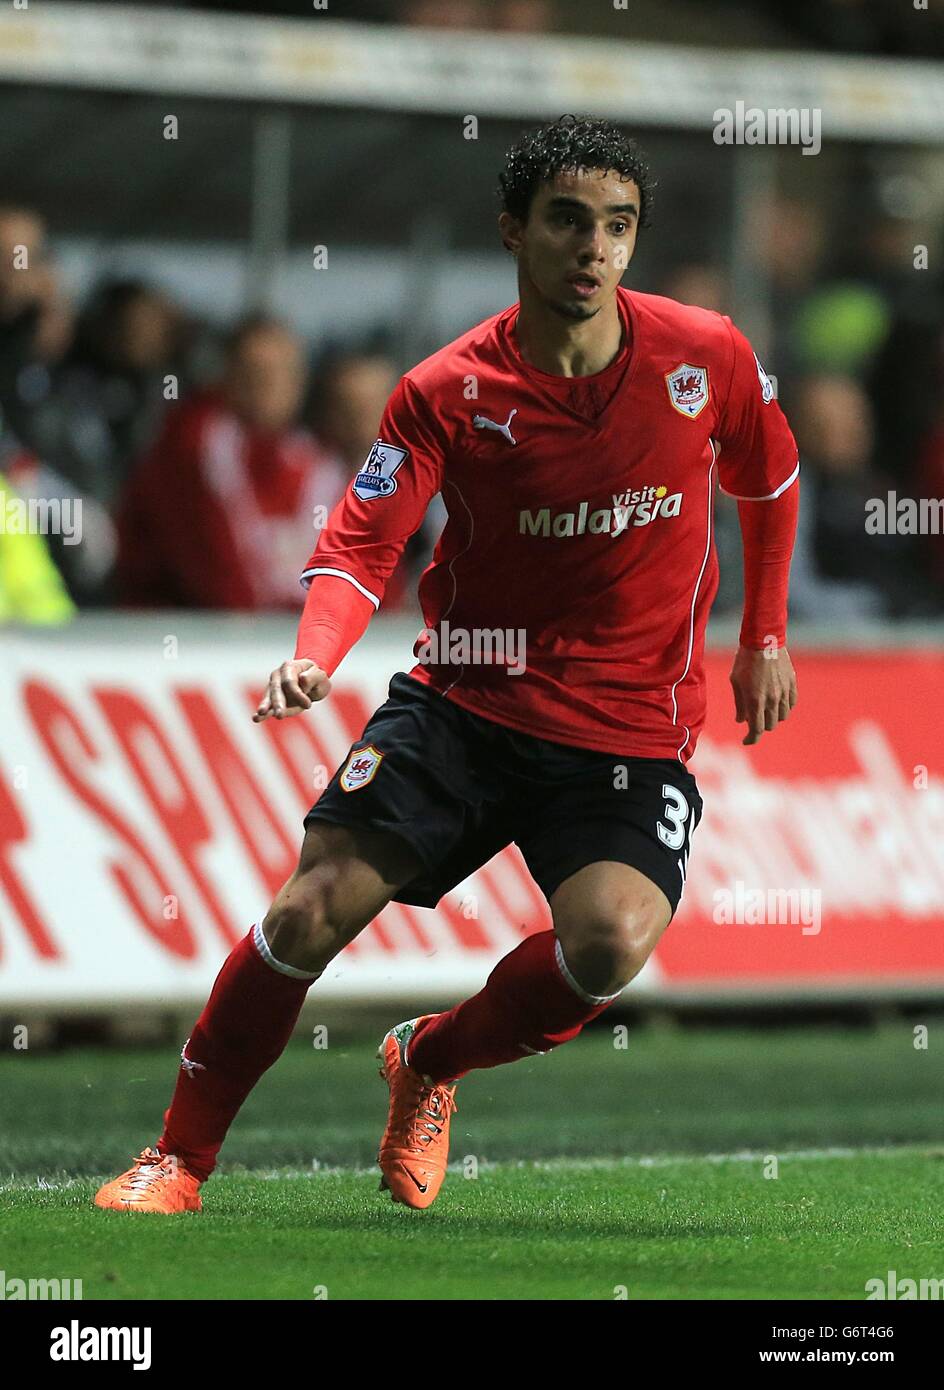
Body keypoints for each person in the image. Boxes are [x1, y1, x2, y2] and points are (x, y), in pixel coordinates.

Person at [95, 115, 799, 1215]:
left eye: (616, 227)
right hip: (464, 704)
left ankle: (429, 1062)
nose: (593, 249)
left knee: (607, 944)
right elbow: (361, 542)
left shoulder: (704, 355)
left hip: (623, 726)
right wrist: (314, 656)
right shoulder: (444, 389)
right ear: (512, 231)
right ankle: (177, 1158)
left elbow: (768, 477)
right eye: (567, 222)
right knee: (307, 911)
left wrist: (762, 635)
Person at [116, 314, 347, 609]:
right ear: (227, 377)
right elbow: (211, 571)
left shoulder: (320, 464)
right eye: (255, 373)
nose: (269, 386)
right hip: (202, 638)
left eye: (283, 373)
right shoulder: (191, 448)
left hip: (288, 640)